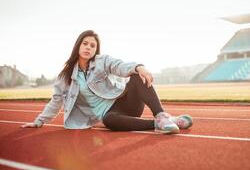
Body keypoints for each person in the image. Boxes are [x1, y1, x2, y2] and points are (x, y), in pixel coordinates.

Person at [22, 30, 193, 134]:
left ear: (96, 49)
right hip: (112, 115)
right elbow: (56, 100)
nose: (88, 48)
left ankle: (161, 115)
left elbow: (119, 66)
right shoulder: (65, 77)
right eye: (85, 44)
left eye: (92, 46)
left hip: (126, 102)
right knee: (109, 121)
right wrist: (39, 121)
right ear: (78, 46)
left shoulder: (101, 61)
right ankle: (164, 123)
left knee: (134, 76)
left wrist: (138, 67)